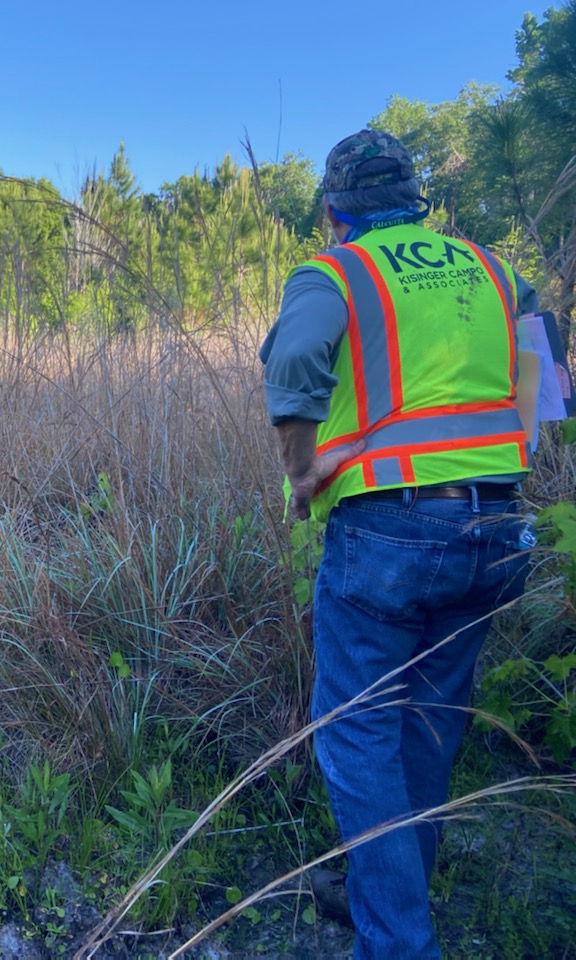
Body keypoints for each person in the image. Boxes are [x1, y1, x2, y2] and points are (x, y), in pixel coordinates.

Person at [260, 129, 537, 959]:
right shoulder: (493, 270)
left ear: (335, 210)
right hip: (498, 526)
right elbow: (542, 366)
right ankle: (389, 894)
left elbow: (299, 355)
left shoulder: (336, 270)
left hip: (391, 531)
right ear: (417, 200)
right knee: (430, 722)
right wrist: (512, 455)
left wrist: (304, 475)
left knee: (355, 730)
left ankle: (397, 942)